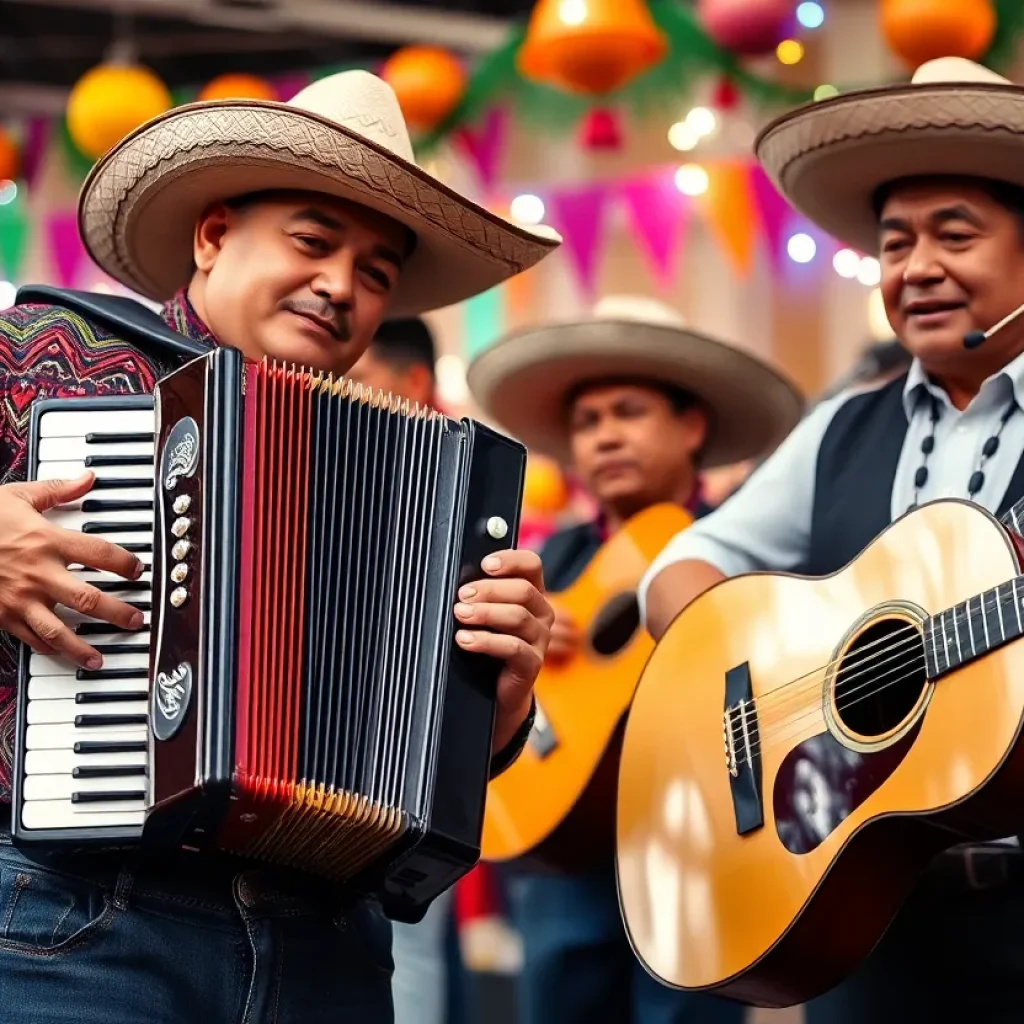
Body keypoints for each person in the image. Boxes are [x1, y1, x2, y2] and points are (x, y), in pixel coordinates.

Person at [0, 69, 562, 1022]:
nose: (341, 285)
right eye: (313, 240)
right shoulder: (43, 349)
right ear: (215, 235)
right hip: (75, 925)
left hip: (326, 945)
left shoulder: (421, 476)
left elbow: (420, 773)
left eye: (376, 272)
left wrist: (495, 717)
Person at [639, 57, 1024, 1024]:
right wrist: (781, 672)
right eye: (896, 244)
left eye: (955, 234)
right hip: (868, 910)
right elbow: (676, 570)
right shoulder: (842, 428)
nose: (916, 267)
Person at [466, 294, 803, 1024]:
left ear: (691, 426)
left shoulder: (741, 549)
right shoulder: (549, 558)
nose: (605, 436)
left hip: (701, 847)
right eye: (587, 423)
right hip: (563, 857)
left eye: (628, 412)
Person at [348, 315, 458, 1024]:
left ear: (411, 383)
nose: (339, 393)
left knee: (409, 962)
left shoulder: (459, 476)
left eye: (359, 380)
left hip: (419, 769)